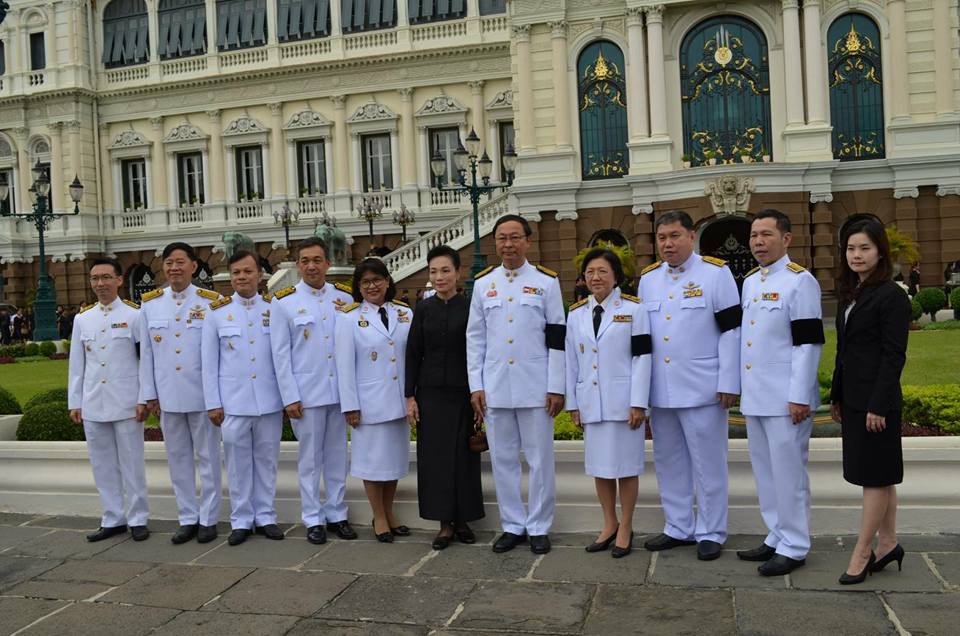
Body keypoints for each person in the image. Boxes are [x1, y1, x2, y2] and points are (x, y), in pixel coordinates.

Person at [638, 210, 741, 561]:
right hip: (661, 389)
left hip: (703, 387)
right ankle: (678, 526)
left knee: (708, 463)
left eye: (675, 236)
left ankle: (711, 530)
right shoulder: (648, 279)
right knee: (668, 461)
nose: (668, 243)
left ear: (691, 235)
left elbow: (731, 331)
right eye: (662, 237)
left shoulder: (716, 274)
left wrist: (729, 380)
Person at [466, 214, 566, 555]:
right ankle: (512, 524)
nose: (507, 245)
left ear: (527, 240)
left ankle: (538, 525)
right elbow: (475, 339)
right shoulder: (483, 284)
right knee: (503, 460)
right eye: (501, 239)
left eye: (514, 238)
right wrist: (475, 386)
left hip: (535, 386)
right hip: (495, 387)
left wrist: (556, 385)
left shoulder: (546, 282)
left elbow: (557, 338)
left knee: (540, 460)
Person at [736, 210, 824, 576]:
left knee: (789, 474)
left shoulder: (800, 282)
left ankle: (796, 544)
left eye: (767, 234)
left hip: (787, 399)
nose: (758, 242)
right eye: (754, 235)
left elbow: (808, 344)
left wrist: (800, 395)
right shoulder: (751, 281)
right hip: (757, 397)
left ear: (786, 239)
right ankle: (776, 535)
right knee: (766, 472)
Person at [831, 214, 911, 584]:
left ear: (880, 252)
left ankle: (862, 551)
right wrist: (837, 396)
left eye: (865, 247)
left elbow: (894, 355)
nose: (857, 255)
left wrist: (878, 405)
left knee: (874, 479)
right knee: (881, 475)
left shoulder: (891, 296)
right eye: (851, 248)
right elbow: (844, 352)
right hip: (854, 400)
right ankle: (889, 542)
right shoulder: (852, 293)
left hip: (877, 404)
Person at [270, 237, 358, 545]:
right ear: (298, 265)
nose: (311, 266)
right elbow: (280, 354)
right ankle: (312, 517)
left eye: (317, 260)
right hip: (306, 395)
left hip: (339, 393)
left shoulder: (345, 298)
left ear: (327, 263)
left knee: (337, 456)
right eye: (305, 260)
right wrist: (289, 396)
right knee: (309, 459)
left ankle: (337, 513)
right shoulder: (284, 302)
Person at [565, 248, 651, 558]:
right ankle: (609, 523)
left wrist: (639, 402)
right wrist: (573, 404)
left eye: (602, 271)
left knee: (626, 468)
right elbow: (572, 363)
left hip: (624, 404)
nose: (595, 277)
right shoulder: (576, 315)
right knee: (600, 468)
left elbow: (643, 358)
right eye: (590, 272)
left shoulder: (634, 310)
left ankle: (626, 525)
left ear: (616, 276)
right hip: (592, 403)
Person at [138, 242, 223, 545]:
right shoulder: (150, 304)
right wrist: (150, 394)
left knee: (208, 458)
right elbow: (146, 354)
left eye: (180, 262)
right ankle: (187, 517)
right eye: (169, 263)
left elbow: (220, 355)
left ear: (194, 266)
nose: (174, 268)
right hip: (168, 396)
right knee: (178, 459)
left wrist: (217, 397)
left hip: (202, 395)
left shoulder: (212, 302)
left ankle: (209, 518)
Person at [201, 250, 284, 546]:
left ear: (259, 274)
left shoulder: (275, 310)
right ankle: (241, 520)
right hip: (233, 403)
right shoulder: (217, 313)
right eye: (236, 272)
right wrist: (213, 402)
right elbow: (209, 363)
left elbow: (283, 359)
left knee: (267, 462)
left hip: (269, 400)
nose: (242, 277)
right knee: (236, 464)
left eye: (247, 272)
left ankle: (266, 516)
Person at [405, 245, 484, 550]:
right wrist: (410, 396)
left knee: (464, 459)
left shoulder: (471, 307)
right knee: (435, 459)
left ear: (458, 273)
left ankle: (464, 519)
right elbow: (413, 354)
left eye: (445, 271)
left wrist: (479, 393)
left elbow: (480, 352)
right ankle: (444, 524)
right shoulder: (423, 309)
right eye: (434, 271)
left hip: (464, 393)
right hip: (431, 395)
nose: (439, 277)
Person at [67, 257, 150, 542]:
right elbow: (77, 364)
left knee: (132, 463)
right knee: (101, 464)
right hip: (93, 402)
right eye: (94, 279)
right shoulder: (82, 318)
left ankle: (138, 518)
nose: (100, 284)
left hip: (126, 402)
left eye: (105, 277)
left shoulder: (135, 315)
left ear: (118, 280)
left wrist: (144, 398)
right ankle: (112, 517)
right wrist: (74, 402)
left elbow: (144, 362)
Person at [335, 258, 412, 543]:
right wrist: (350, 405)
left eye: (377, 280)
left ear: (388, 281)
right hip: (368, 403)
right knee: (372, 463)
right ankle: (378, 516)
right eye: (365, 282)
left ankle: (390, 513)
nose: (372, 286)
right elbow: (344, 366)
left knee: (393, 462)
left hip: (399, 401)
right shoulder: (348, 317)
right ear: (358, 287)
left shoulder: (404, 313)